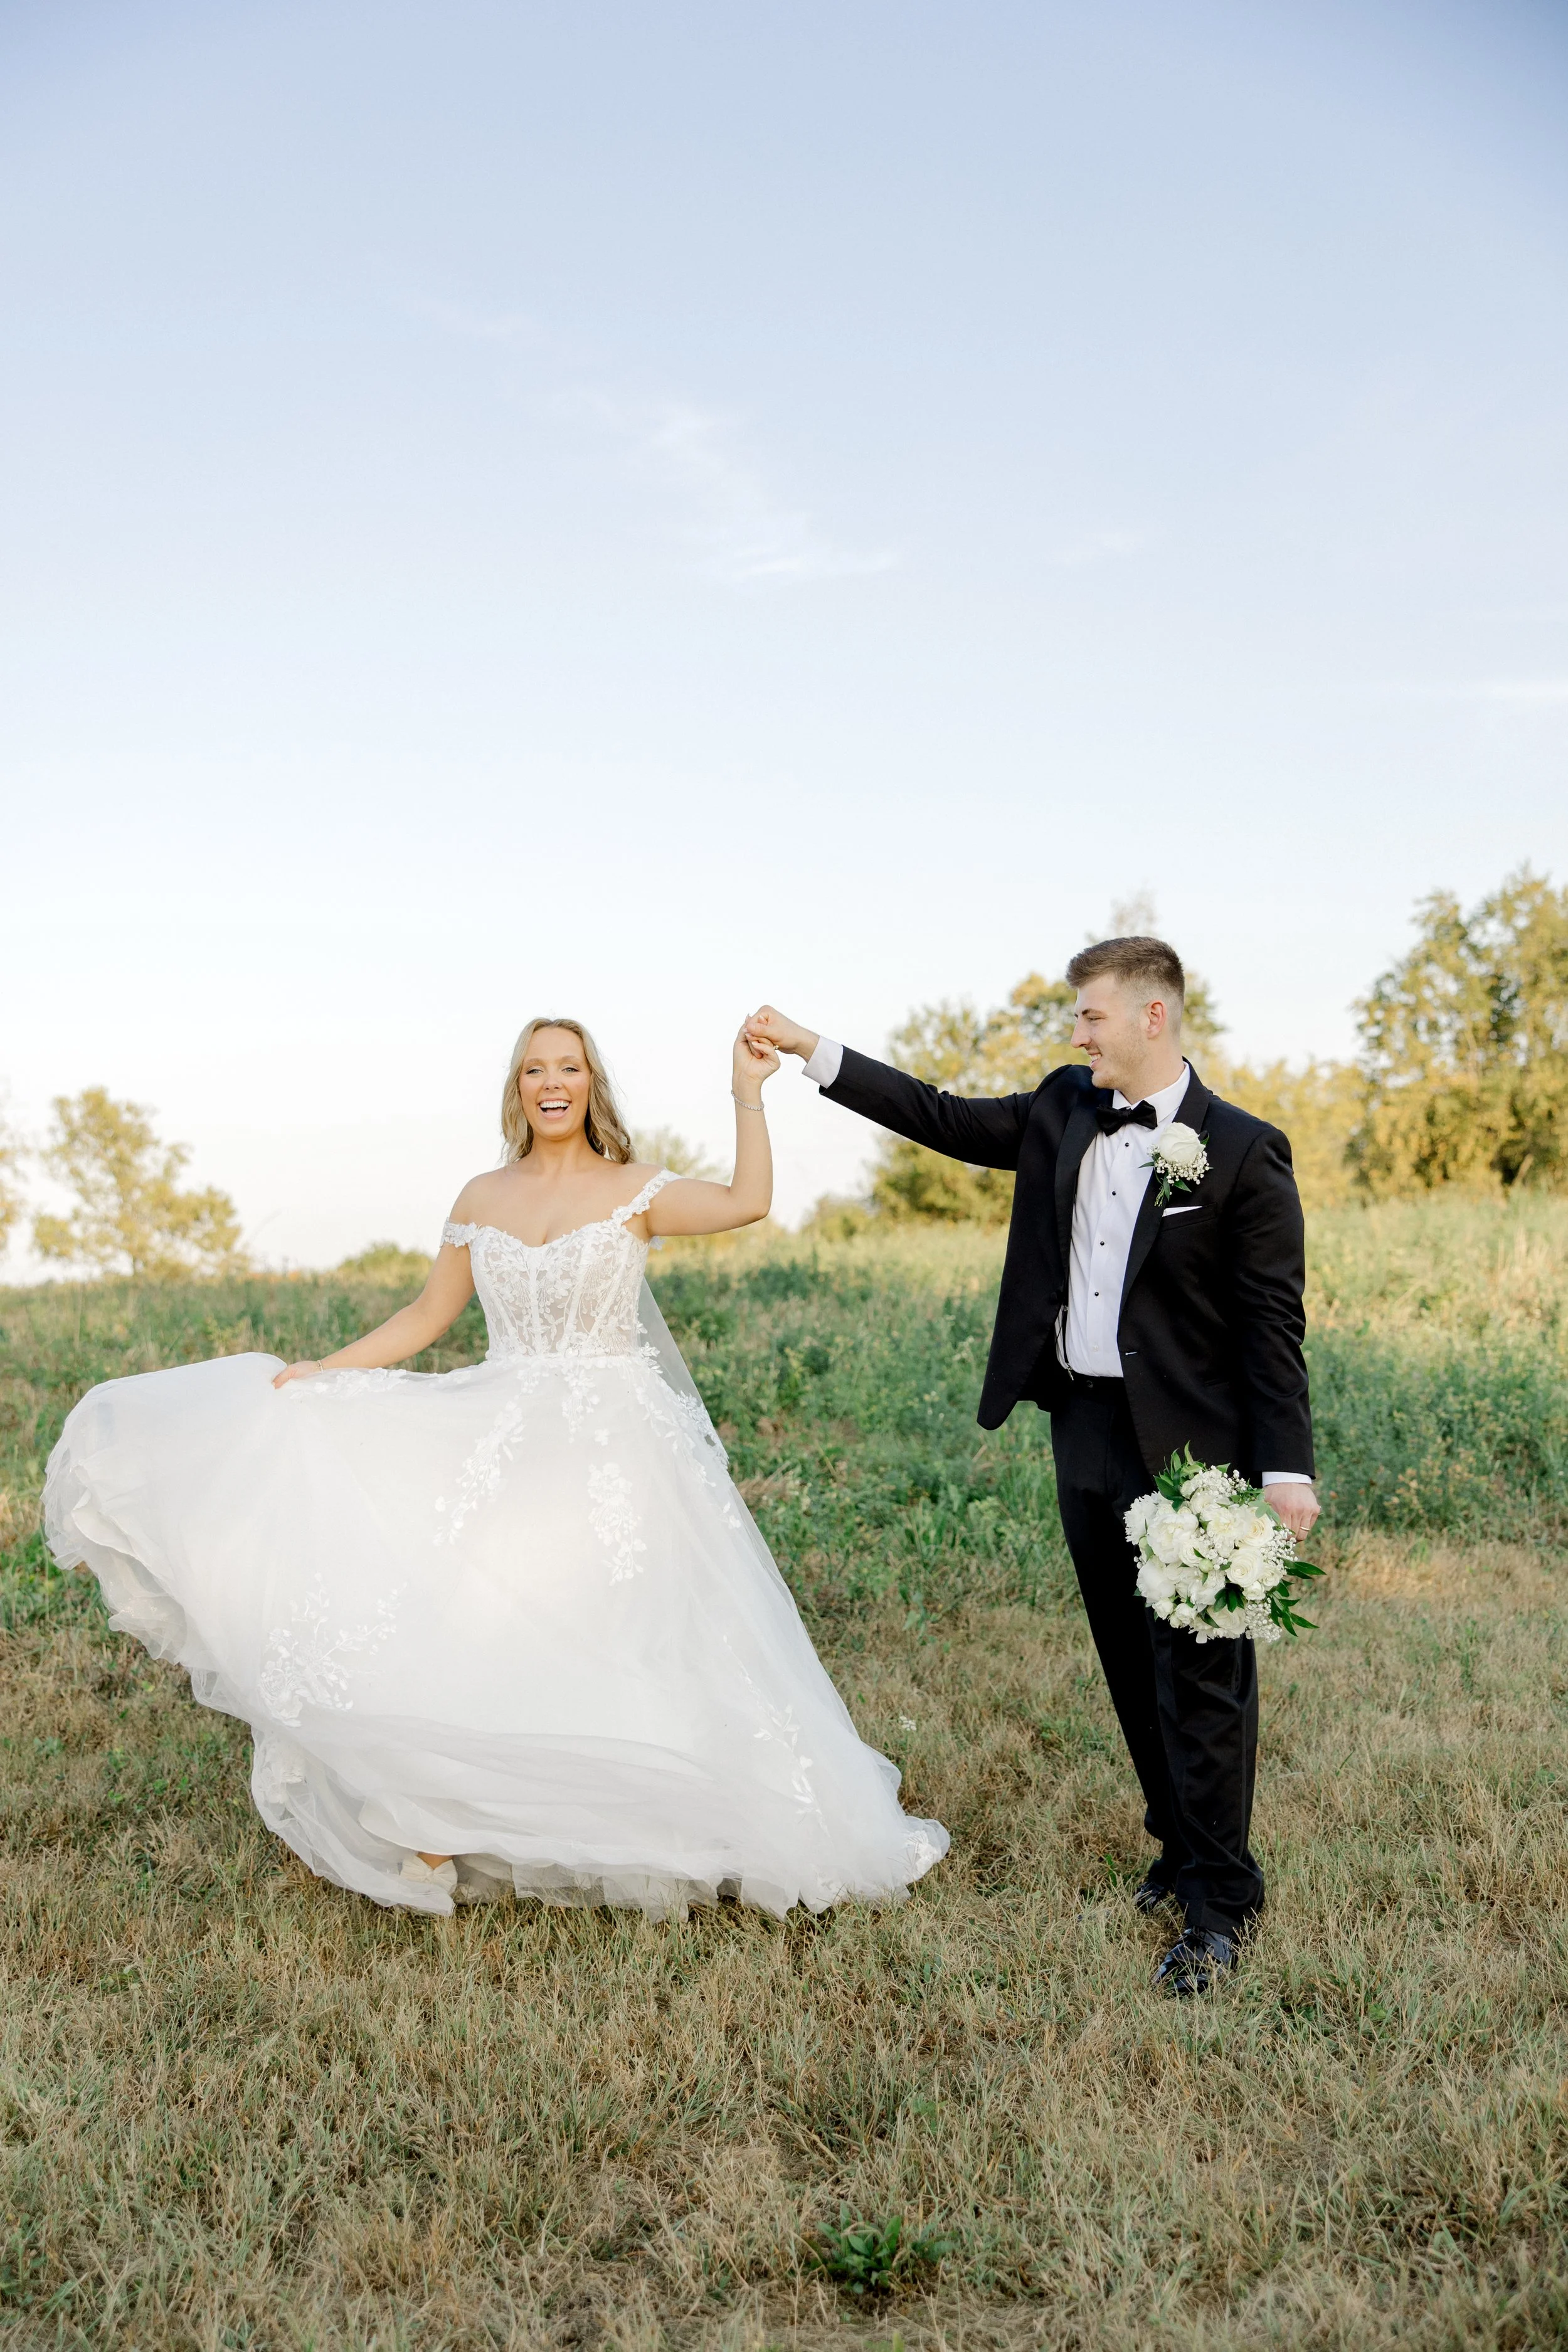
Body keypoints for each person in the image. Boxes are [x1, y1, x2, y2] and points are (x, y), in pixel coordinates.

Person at [45, 1017, 947, 1919]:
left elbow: (749, 1200)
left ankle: (663, 1808)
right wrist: (324, 1371)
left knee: (631, 1626)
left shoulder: (637, 1190)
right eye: (533, 1070)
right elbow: (427, 1315)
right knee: (472, 1617)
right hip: (507, 1432)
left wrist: (747, 1094)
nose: (551, 1083)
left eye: (569, 1067)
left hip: (615, 1445)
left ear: (592, 1084)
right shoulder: (480, 1195)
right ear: (516, 1089)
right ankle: (439, 1815)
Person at [746, 938, 1317, 1998]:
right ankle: (1178, 1841)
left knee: (1201, 1673)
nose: (1076, 1033)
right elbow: (942, 1115)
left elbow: (1271, 1325)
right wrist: (809, 1048)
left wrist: (1286, 1470)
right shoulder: (1062, 1108)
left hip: (1197, 1450)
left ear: (1153, 1017)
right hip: (1084, 1426)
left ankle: (1221, 1900)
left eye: (1091, 1016)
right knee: (1126, 1655)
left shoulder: (1242, 1150)